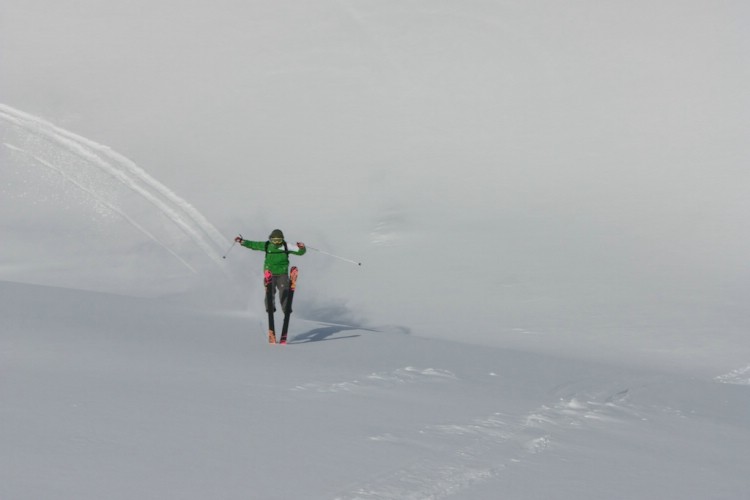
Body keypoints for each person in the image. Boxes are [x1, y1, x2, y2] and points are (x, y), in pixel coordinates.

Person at [235, 229, 306, 341]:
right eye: (275, 240)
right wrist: (242, 241)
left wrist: (302, 247)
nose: (277, 243)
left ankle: (286, 308)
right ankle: (270, 308)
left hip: (282, 273)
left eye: (279, 240)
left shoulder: (287, 246)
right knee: (270, 291)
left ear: (282, 239)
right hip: (270, 273)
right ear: (270, 239)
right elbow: (254, 245)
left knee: (284, 291)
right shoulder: (267, 245)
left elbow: (300, 252)